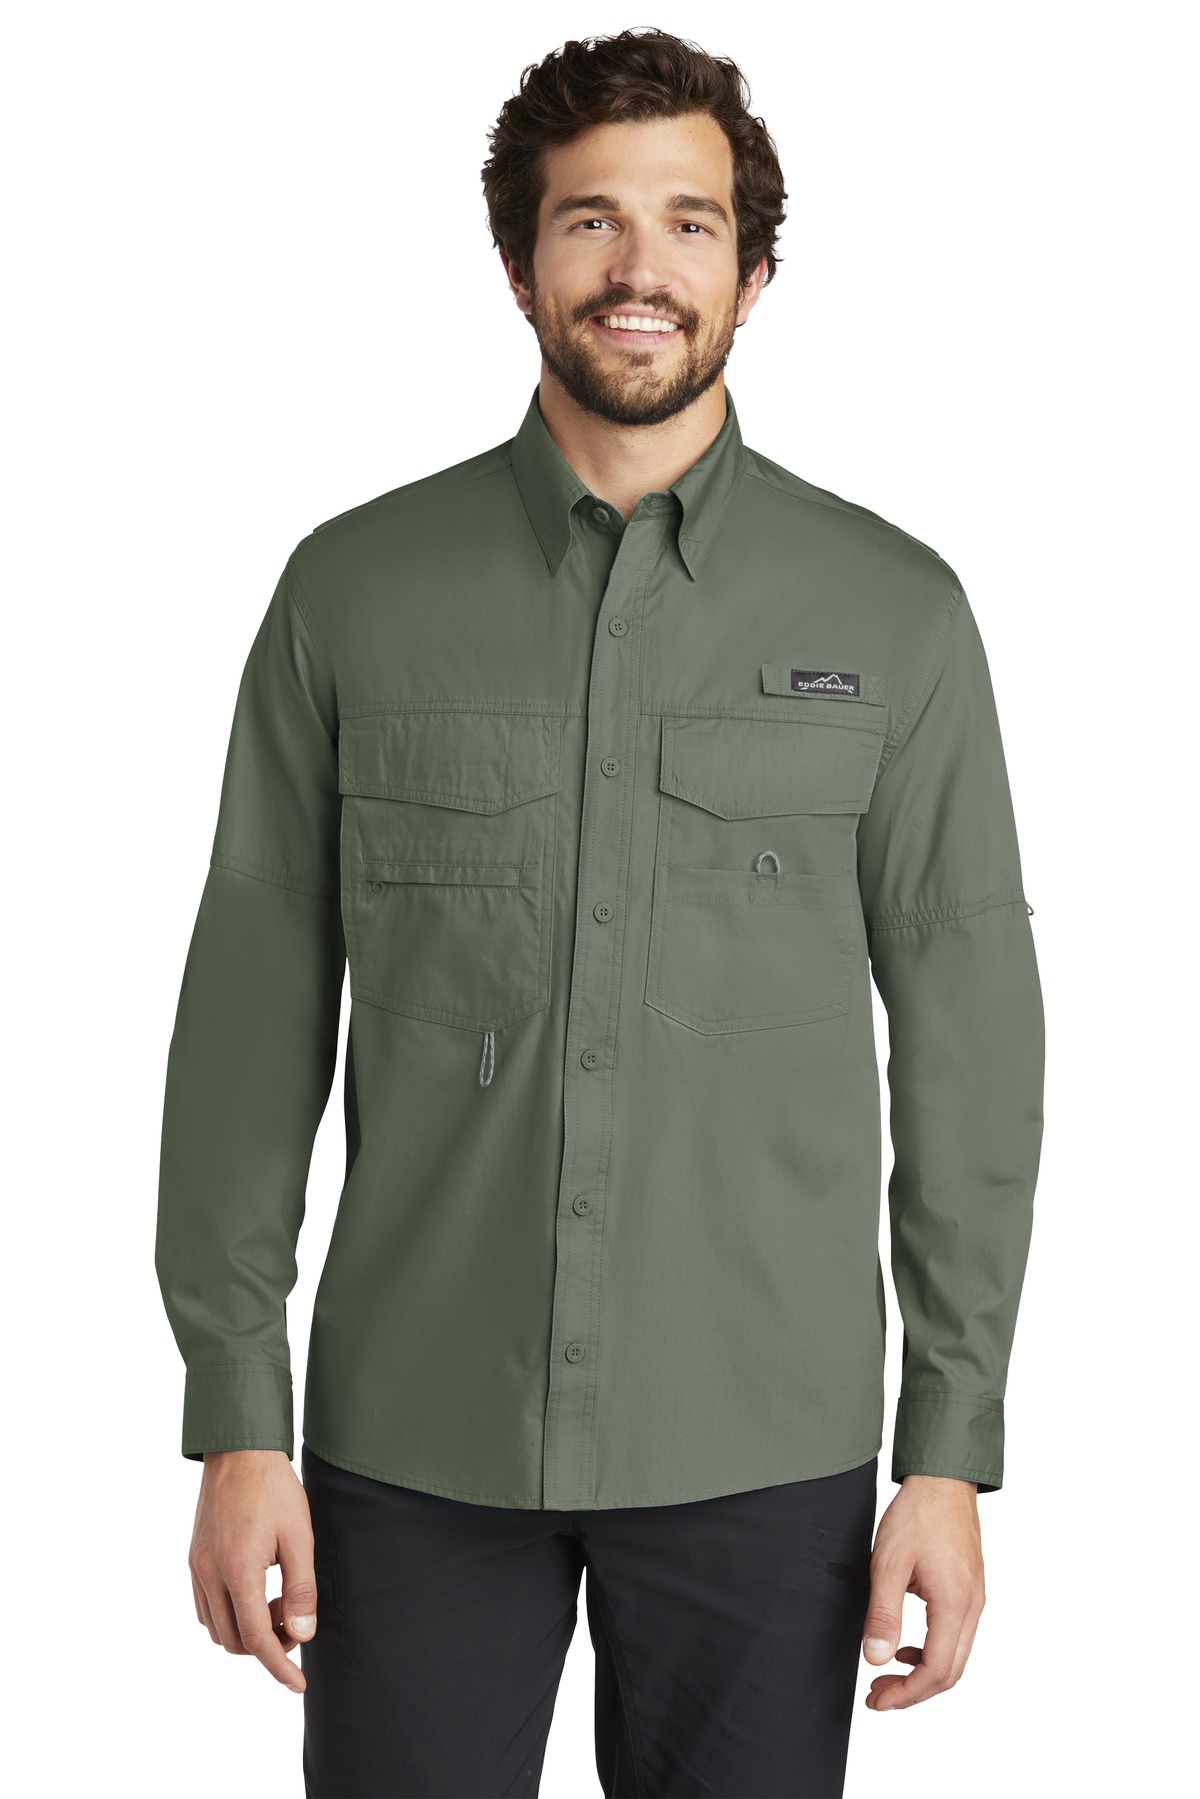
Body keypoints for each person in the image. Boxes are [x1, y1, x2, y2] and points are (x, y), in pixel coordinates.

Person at [155, 26, 1045, 1799]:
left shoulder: (896, 615)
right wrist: (238, 1418)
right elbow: (249, 1020)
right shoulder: (352, 593)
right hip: (414, 1445)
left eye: (691, 224)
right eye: (591, 222)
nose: (642, 268)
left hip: (765, 1450)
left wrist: (945, 1450)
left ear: (754, 271)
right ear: (519, 262)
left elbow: (972, 1050)